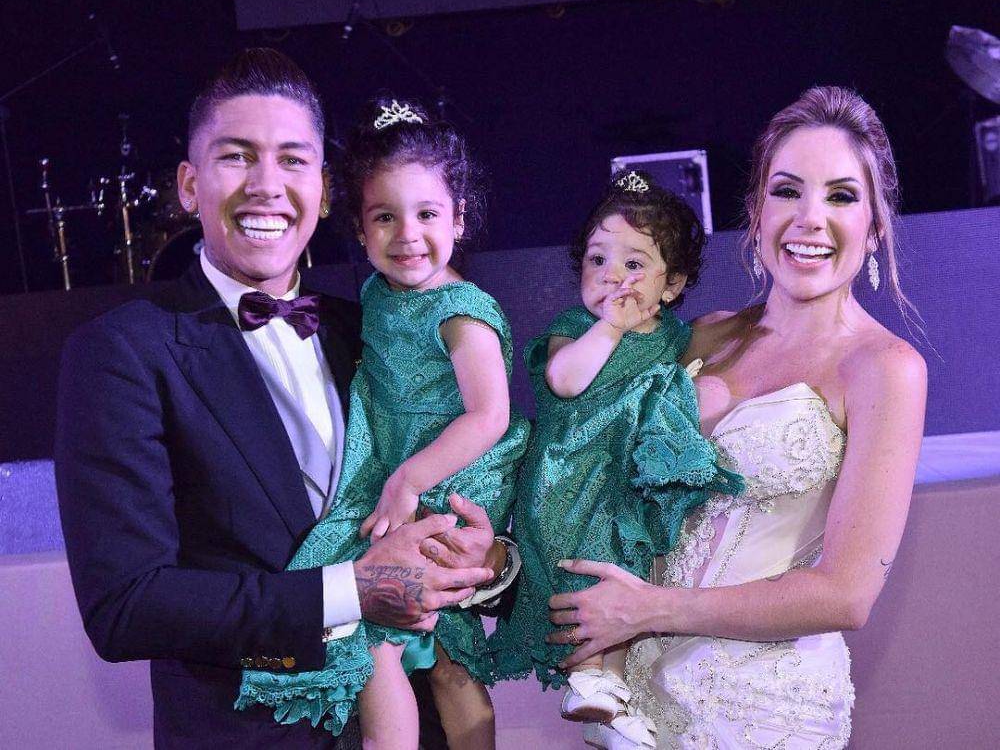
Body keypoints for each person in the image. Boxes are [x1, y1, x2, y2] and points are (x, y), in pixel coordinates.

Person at [54, 49, 513, 749]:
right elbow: (126, 604)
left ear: (325, 192)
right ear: (189, 185)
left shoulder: (377, 328)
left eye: (293, 160)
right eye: (237, 156)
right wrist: (351, 590)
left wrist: (487, 561)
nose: (267, 185)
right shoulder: (122, 352)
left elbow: (478, 480)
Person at [545, 86, 927, 749]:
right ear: (754, 211)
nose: (810, 219)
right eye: (787, 191)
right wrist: (499, 556)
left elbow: (846, 593)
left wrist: (651, 608)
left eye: (841, 196)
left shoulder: (884, 368)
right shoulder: (701, 336)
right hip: (633, 705)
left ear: (875, 224)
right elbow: (597, 473)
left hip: (763, 713)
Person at [237, 97, 529, 750]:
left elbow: (490, 414)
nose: (407, 235)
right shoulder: (373, 296)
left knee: (392, 644)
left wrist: (408, 479)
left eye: (427, 214)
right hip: (398, 473)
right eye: (385, 217)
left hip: (449, 477)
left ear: (458, 216)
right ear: (360, 229)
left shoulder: (462, 311)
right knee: (430, 649)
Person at [488, 170, 741, 749]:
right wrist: (608, 326)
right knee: (590, 570)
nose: (612, 275)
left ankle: (610, 695)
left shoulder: (675, 338)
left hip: (625, 484)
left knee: (631, 573)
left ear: (671, 285)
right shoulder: (575, 328)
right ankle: (587, 678)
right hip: (571, 482)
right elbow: (565, 380)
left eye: (633, 264)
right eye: (597, 260)